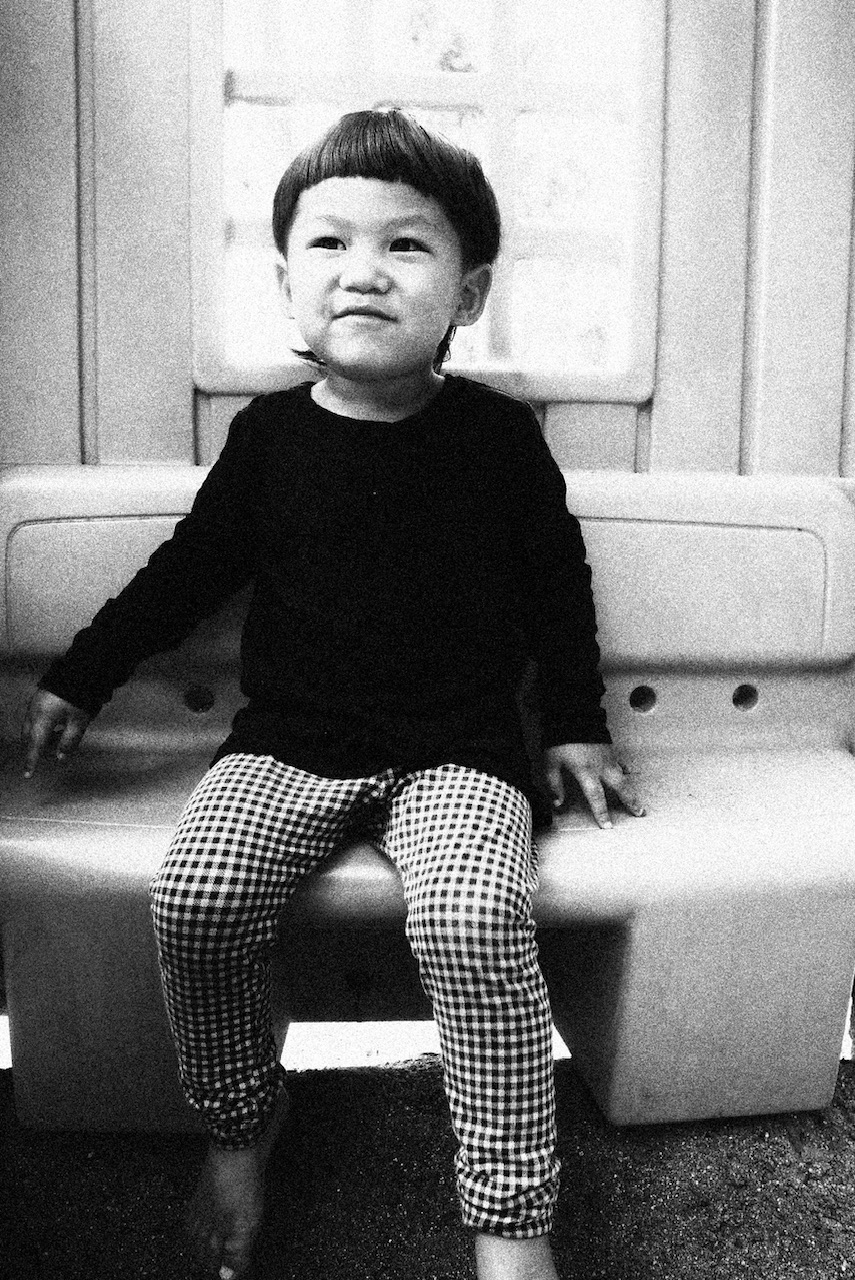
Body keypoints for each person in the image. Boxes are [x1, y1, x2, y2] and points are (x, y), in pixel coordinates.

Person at [22, 109, 645, 1280]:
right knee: (196, 898)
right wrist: (83, 673)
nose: (364, 270)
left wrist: (575, 723)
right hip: (288, 744)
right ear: (286, 283)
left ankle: (512, 1217)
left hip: (461, 750)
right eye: (329, 243)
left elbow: (557, 586)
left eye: (406, 244)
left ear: (467, 294)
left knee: (473, 917)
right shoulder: (268, 438)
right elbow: (186, 574)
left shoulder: (499, 439)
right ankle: (242, 1122)